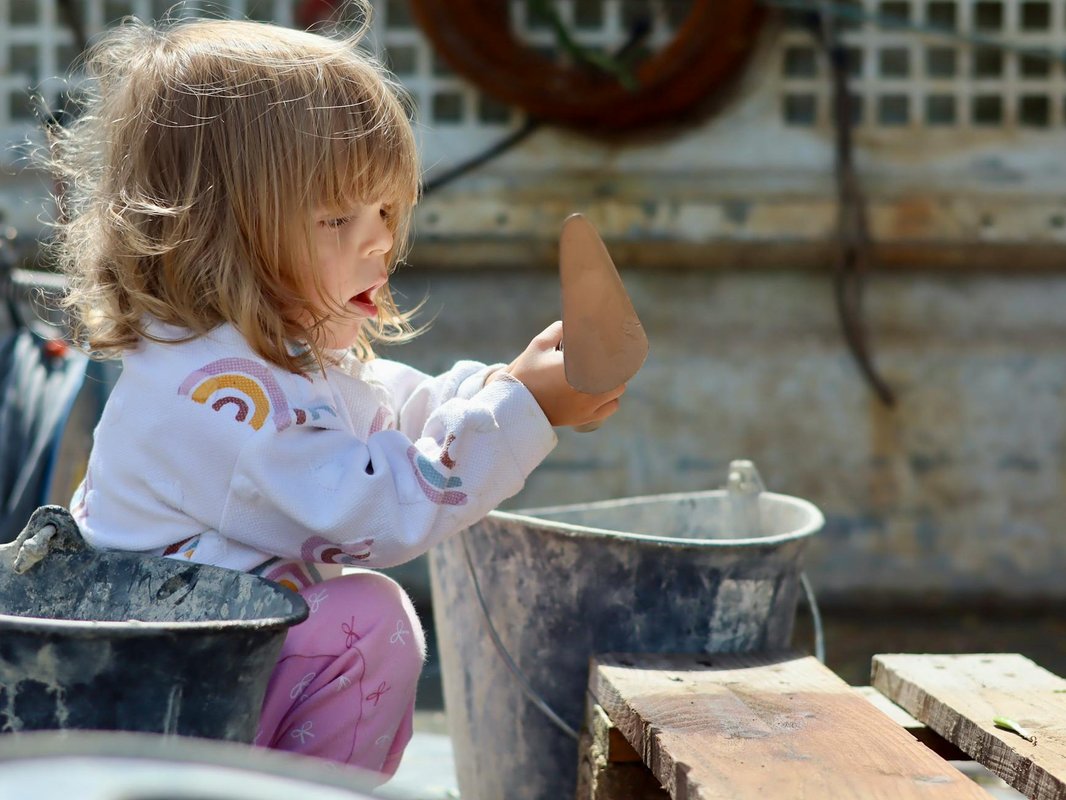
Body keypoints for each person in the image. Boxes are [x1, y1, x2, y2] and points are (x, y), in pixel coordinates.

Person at [46, 7, 624, 782]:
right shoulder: (218, 398)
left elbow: (387, 414)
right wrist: (525, 409)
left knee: (353, 615)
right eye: (337, 216)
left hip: (199, 683)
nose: (381, 238)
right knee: (368, 623)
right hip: (153, 714)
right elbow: (373, 509)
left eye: (385, 210)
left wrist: (505, 387)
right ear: (219, 230)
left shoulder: (257, 357)